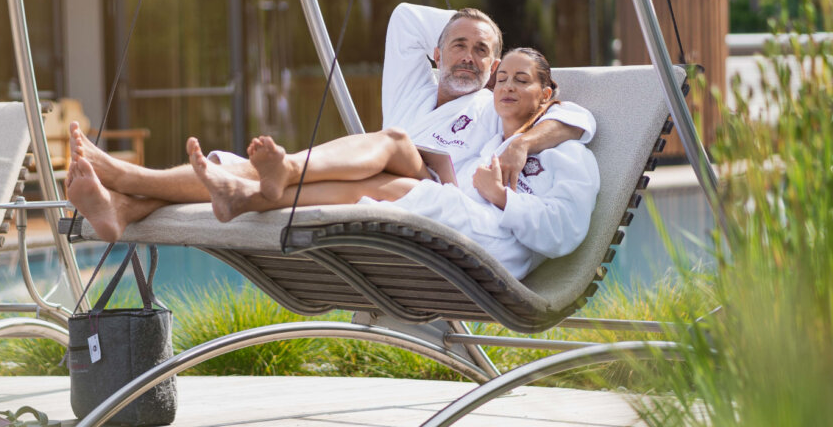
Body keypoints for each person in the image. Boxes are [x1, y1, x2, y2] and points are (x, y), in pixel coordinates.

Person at [66, 4, 595, 242]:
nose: (470, 58)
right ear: (434, 52)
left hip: (433, 188)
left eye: (483, 53)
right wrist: (469, 25)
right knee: (247, 173)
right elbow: (406, 17)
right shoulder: (412, 87)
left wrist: (519, 142)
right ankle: (123, 208)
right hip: (390, 180)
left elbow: (575, 115)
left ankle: (134, 179)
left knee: (391, 139)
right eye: (458, 47)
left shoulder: (492, 102)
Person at [187, 47, 600, 280]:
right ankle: (247, 193)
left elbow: (563, 232)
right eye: (503, 78)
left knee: (375, 184)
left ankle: (256, 190)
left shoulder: (568, 152)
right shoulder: (492, 136)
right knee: (377, 171)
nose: (507, 85)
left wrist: (503, 197)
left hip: (496, 250)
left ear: (547, 95)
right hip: (465, 220)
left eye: (522, 80)